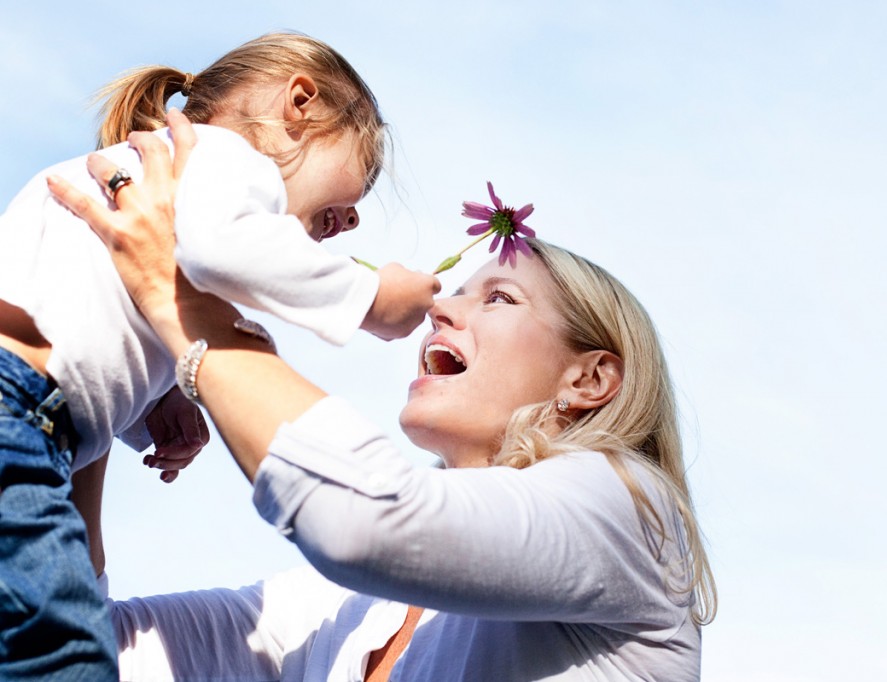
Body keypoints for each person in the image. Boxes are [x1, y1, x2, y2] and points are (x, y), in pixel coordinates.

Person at [50, 116, 717, 681]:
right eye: (459, 292)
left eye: (499, 298)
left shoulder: (628, 513)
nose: (440, 311)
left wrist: (181, 307)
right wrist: (89, 394)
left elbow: (365, 520)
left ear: (589, 380)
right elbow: (84, 653)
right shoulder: (338, 608)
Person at [0, 32, 438, 679]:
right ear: (300, 104)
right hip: (19, 417)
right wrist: (372, 298)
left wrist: (151, 409)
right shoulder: (222, 158)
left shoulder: (160, 183)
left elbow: (83, 338)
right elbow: (227, 253)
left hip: (31, 419)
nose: (349, 223)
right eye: (356, 184)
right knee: (63, 654)